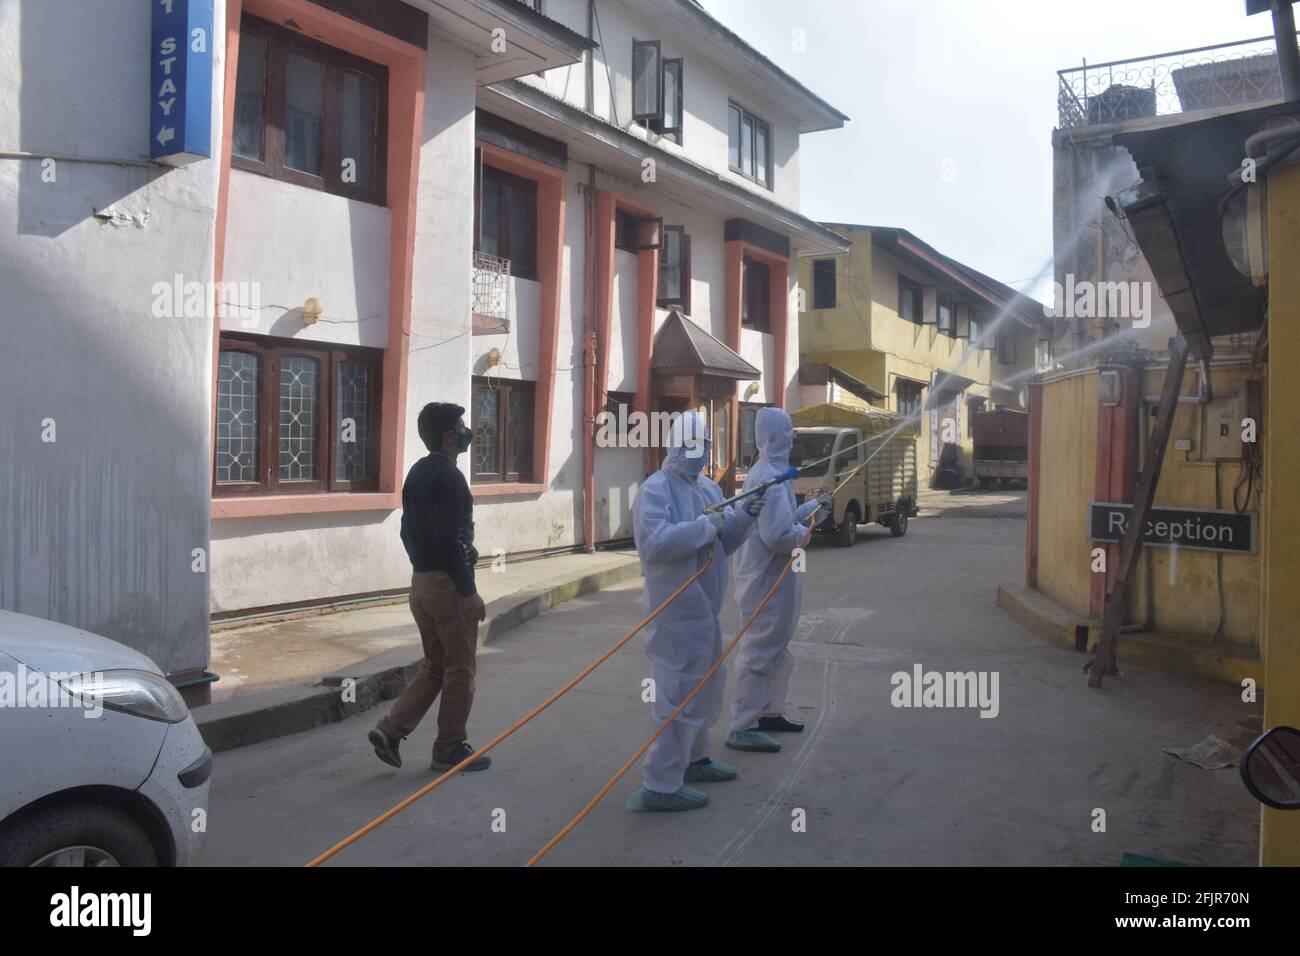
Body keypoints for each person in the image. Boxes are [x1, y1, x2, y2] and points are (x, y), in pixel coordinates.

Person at [626, 410, 765, 812]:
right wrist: (709, 526)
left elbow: (724, 544)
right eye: (693, 445)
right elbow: (654, 545)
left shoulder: (708, 489)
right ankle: (661, 784)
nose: (700, 453)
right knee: (676, 699)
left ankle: (695, 759)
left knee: (705, 690)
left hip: (705, 610)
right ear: (674, 444)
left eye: (705, 445)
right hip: (674, 616)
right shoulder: (655, 490)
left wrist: (744, 518)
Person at [369, 402, 491, 773]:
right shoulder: (451, 478)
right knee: (459, 670)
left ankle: (390, 729)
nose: (468, 431)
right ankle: (449, 748)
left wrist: (425, 570)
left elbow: (409, 531)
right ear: (448, 435)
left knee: (436, 666)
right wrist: (468, 592)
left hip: (420, 583)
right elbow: (448, 539)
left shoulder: (417, 473)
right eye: (461, 427)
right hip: (446, 585)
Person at [726, 407, 830, 754]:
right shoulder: (767, 478)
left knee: (777, 652)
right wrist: (804, 530)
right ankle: (743, 725)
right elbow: (778, 535)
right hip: (765, 581)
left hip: (778, 580)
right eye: (788, 431)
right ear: (773, 437)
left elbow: (786, 520)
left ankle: (768, 713)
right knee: (759, 651)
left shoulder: (776, 474)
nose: (793, 437)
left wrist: (815, 510)